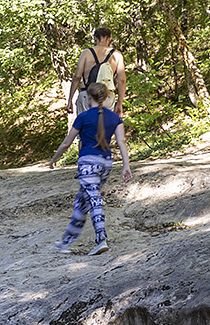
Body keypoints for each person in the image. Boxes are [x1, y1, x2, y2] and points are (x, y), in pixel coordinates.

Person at [49, 81, 132, 255]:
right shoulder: (115, 118)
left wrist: (54, 159)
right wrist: (126, 165)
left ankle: (101, 239)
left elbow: (67, 143)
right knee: (81, 201)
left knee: (93, 198)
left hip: (88, 163)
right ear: (106, 97)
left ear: (88, 98)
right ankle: (66, 242)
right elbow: (122, 142)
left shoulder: (83, 117)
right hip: (106, 164)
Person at [70, 27, 125, 117]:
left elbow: (77, 77)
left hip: (87, 95)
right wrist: (119, 103)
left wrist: (70, 100)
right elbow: (122, 81)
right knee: (104, 129)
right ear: (109, 38)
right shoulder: (117, 55)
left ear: (95, 38)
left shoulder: (86, 53)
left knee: (86, 128)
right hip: (107, 96)